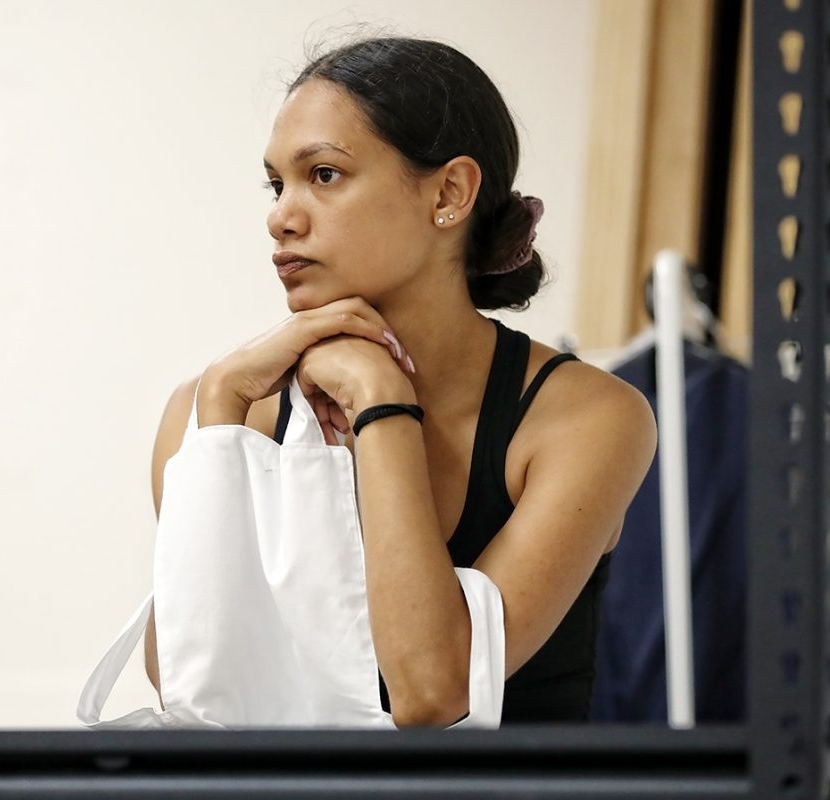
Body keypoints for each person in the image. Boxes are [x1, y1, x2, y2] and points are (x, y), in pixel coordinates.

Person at [143, 36, 656, 726]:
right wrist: (221, 411)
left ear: (449, 193)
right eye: (277, 184)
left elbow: (434, 694)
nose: (281, 216)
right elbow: (189, 691)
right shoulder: (213, 407)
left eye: (324, 174)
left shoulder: (589, 418)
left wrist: (381, 402)